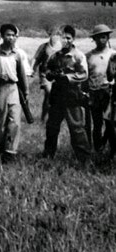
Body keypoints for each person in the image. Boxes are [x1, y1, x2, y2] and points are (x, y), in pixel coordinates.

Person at [0, 24, 29, 163]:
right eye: (8, 35)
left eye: (13, 35)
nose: (11, 38)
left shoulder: (18, 54)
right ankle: (1, 149)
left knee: (14, 121)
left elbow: (22, 75)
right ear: (2, 36)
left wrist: (25, 92)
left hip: (13, 88)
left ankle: (10, 152)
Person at [43, 25, 91, 163]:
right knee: (52, 127)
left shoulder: (78, 55)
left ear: (73, 39)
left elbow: (84, 74)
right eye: (63, 37)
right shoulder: (55, 56)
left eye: (68, 38)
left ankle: (84, 159)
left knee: (77, 128)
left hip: (72, 95)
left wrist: (68, 77)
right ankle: (48, 155)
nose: (65, 40)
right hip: (57, 95)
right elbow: (47, 71)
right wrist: (51, 75)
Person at [84, 24, 115, 152]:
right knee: (97, 123)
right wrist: (85, 92)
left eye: (104, 37)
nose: (101, 40)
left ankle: (111, 148)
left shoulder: (113, 55)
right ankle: (97, 148)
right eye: (98, 37)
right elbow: (85, 76)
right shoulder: (88, 56)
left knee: (110, 122)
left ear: (108, 38)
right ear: (94, 39)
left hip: (109, 92)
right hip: (94, 92)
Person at [32, 27, 62, 121]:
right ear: (50, 35)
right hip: (45, 74)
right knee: (50, 93)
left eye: (58, 35)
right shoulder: (44, 47)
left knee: (49, 98)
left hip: (57, 75)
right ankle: (46, 118)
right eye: (54, 35)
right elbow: (36, 59)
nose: (55, 37)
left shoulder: (62, 47)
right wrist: (32, 69)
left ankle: (46, 117)